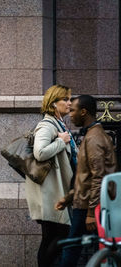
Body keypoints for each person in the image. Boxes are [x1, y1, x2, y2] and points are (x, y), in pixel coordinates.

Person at [55, 95, 117, 267]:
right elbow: (88, 177)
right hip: (87, 202)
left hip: (88, 206)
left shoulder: (94, 138)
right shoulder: (93, 135)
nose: (70, 114)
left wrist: (90, 213)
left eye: (73, 110)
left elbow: (99, 176)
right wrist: (68, 198)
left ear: (84, 112)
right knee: (78, 248)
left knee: (71, 249)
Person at [25, 84, 77, 266]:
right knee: (57, 236)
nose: (70, 103)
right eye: (65, 99)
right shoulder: (46, 125)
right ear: (54, 104)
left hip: (55, 191)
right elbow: (40, 152)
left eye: (69, 99)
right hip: (49, 193)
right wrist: (61, 142)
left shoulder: (59, 123)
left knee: (52, 237)